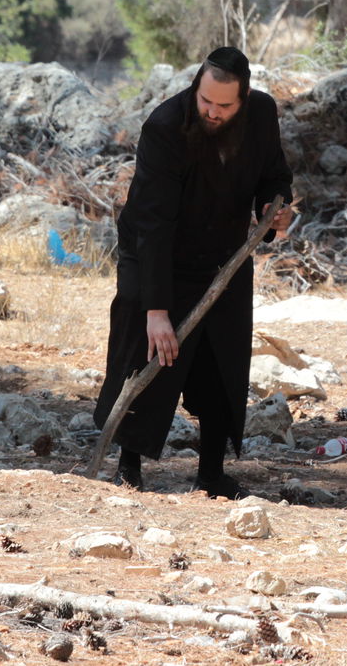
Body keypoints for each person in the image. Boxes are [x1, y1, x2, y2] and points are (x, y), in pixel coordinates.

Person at [93, 47, 294, 499]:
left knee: (221, 361)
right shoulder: (165, 127)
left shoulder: (261, 115)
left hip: (225, 256)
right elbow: (154, 225)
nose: (213, 112)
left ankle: (211, 475)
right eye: (206, 100)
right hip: (154, 253)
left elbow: (276, 176)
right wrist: (156, 309)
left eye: (225, 105)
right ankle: (129, 467)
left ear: (243, 98)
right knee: (144, 353)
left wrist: (274, 208)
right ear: (197, 86)